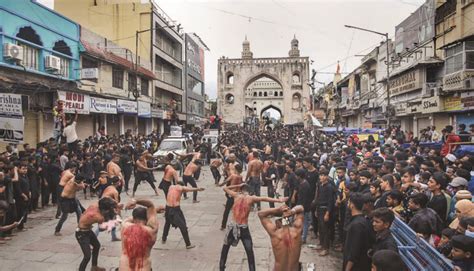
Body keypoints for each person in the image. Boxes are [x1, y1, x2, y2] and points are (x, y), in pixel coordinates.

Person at [219, 183, 287, 271]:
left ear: (241, 190)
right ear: (249, 192)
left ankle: (221, 268)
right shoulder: (251, 198)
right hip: (243, 228)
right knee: (249, 252)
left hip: (233, 227)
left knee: (225, 249)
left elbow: (225, 188)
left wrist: (237, 185)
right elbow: (265, 198)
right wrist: (279, 201)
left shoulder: (236, 195)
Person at [120, 198, 165, 271]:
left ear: (134, 218)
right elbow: (150, 205)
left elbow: (131, 218)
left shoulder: (124, 226)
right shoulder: (152, 230)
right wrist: (136, 200)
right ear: (147, 218)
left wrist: (132, 201)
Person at [76, 197, 118, 271]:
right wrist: (114, 219)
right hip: (81, 234)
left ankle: (94, 267)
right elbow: (101, 229)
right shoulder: (98, 217)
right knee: (87, 256)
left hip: (88, 230)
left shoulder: (96, 204)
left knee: (97, 246)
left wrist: (115, 206)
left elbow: (108, 200)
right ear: (104, 210)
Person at [258, 204, 304, 271]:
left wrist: (278, 210)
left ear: (278, 224)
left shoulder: (275, 234)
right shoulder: (297, 232)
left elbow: (261, 214)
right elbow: (301, 208)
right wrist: (292, 211)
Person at [161, 182, 204, 248]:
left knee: (167, 223)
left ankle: (163, 239)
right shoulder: (180, 187)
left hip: (168, 208)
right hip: (175, 209)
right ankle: (188, 244)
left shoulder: (171, 187)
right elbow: (189, 189)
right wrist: (198, 189)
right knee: (183, 226)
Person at [343, 192, 372, 271]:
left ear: (352, 205)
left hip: (356, 266)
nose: (347, 204)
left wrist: (347, 268)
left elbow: (354, 251)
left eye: (349, 202)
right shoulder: (362, 221)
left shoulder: (357, 225)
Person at [312, 169, 336, 256]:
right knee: (320, 228)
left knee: (325, 229)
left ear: (327, 177)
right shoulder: (320, 185)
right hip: (319, 208)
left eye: (323, 175)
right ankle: (321, 244)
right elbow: (318, 198)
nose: (321, 177)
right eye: (320, 175)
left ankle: (326, 248)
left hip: (325, 209)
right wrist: (316, 209)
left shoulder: (329, 187)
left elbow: (330, 201)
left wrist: (327, 213)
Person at [219, 163, 244, 230]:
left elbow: (226, 181)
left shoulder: (233, 176)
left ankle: (223, 225)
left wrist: (220, 184)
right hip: (238, 195)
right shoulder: (240, 176)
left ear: (235, 169)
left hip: (231, 194)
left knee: (226, 211)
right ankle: (239, 224)